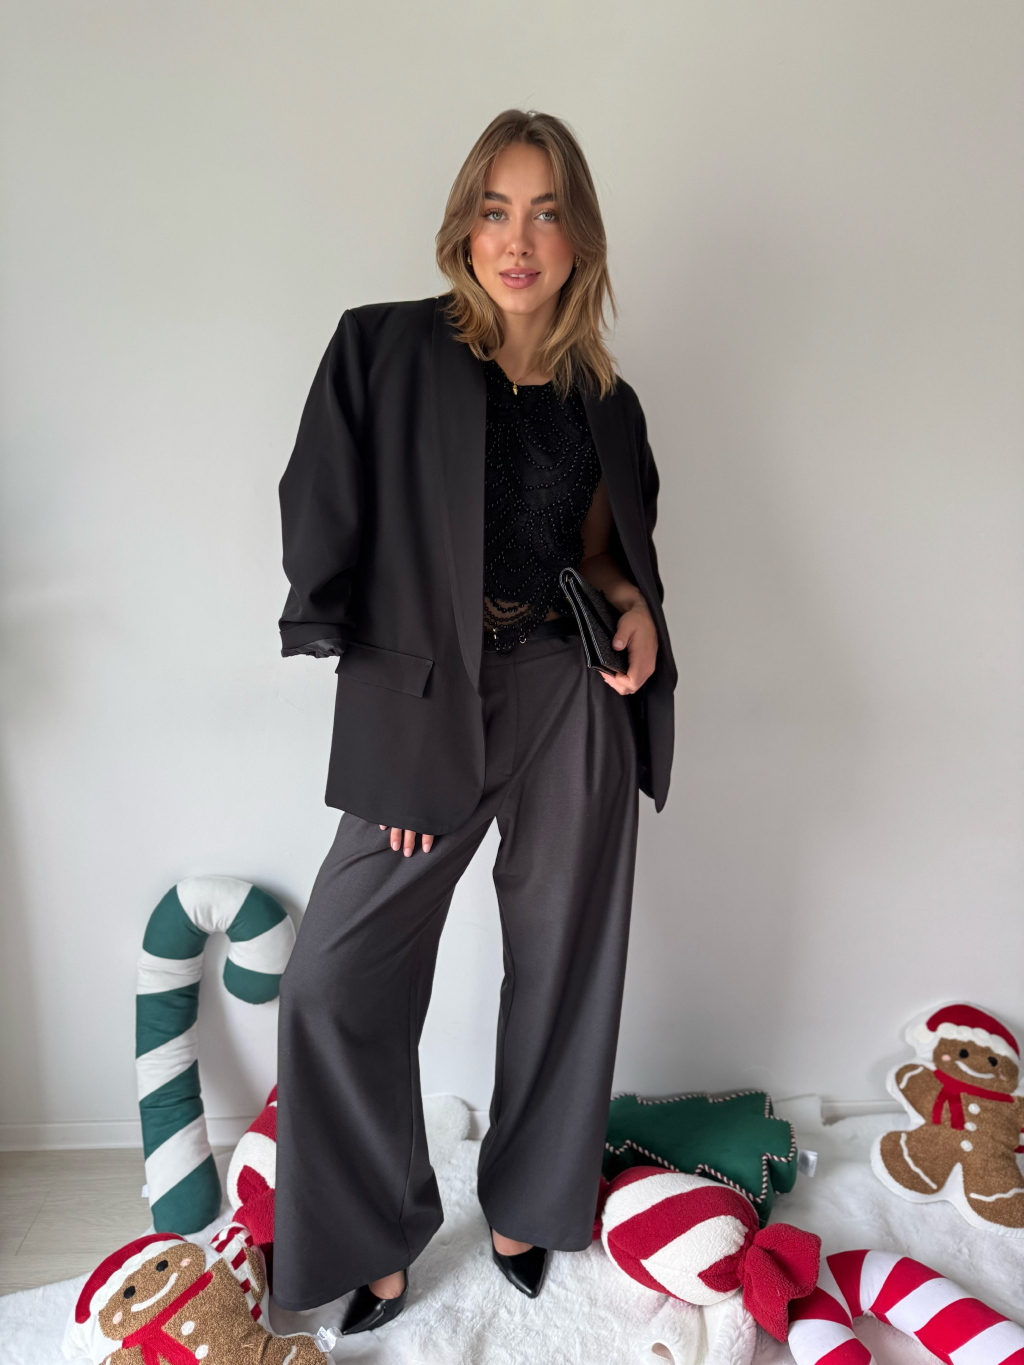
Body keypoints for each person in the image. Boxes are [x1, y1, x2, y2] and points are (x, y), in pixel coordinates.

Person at [272, 108, 677, 1333]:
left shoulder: (606, 399)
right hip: (427, 708)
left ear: (578, 237)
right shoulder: (382, 350)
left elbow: (598, 555)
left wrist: (631, 609)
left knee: (565, 960)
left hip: (571, 700)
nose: (519, 239)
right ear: (463, 225)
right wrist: (392, 753)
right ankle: (371, 1229)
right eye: (496, 210)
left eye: (546, 213)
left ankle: (528, 1201)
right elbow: (330, 539)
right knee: (333, 982)